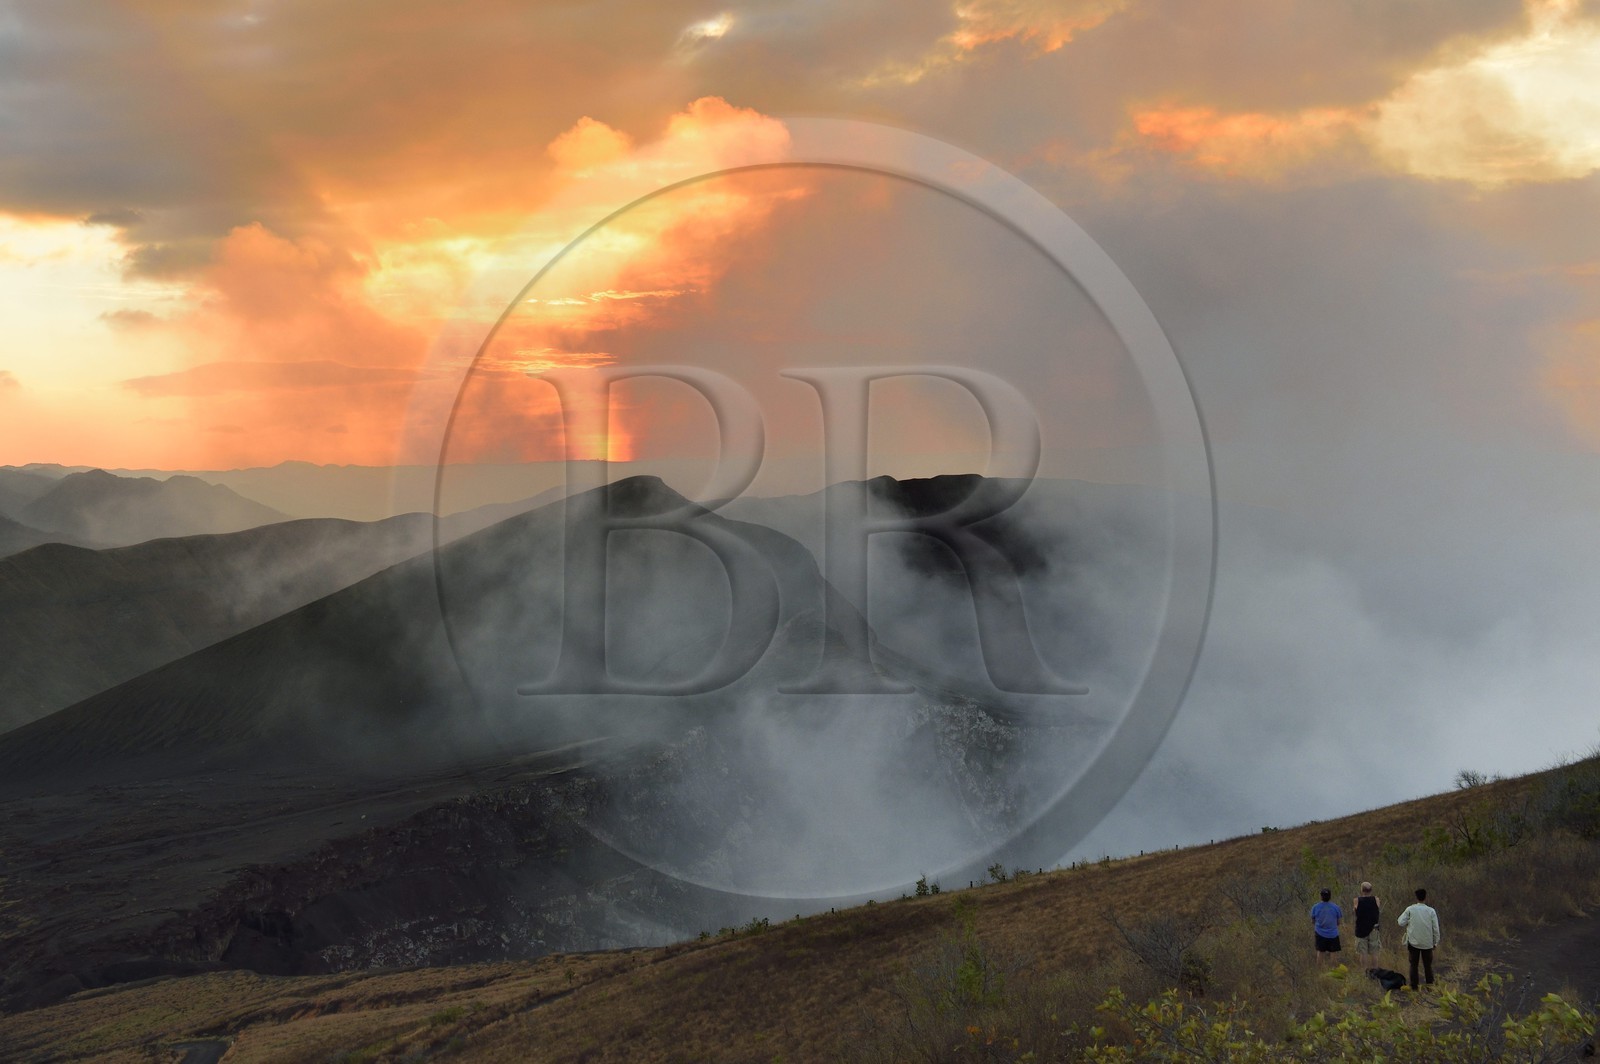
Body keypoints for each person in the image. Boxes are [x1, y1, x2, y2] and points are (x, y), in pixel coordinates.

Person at [1397, 887, 1441, 989]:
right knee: (1427, 965)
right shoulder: (1431, 911)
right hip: (1427, 942)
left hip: (1413, 942)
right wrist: (1435, 942)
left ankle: (1414, 987)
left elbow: (1400, 922)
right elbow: (1435, 928)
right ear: (1425, 897)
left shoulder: (1410, 909)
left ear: (1416, 897)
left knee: (1413, 965)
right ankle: (1430, 986)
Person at [1352, 882, 1383, 972]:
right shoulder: (1376, 900)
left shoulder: (1356, 900)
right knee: (1374, 952)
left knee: (1363, 952)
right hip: (1374, 929)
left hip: (1361, 929)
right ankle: (1375, 971)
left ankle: (1364, 971)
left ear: (1362, 890)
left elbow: (1355, 911)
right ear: (1371, 890)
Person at [1311, 887, 1343, 965]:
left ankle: (1319, 970)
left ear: (1321, 896)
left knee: (1320, 952)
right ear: (1330, 896)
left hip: (1320, 933)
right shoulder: (1336, 907)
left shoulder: (1315, 907)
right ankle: (1333, 970)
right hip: (1333, 934)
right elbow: (1338, 922)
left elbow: (1313, 921)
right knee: (1333, 952)